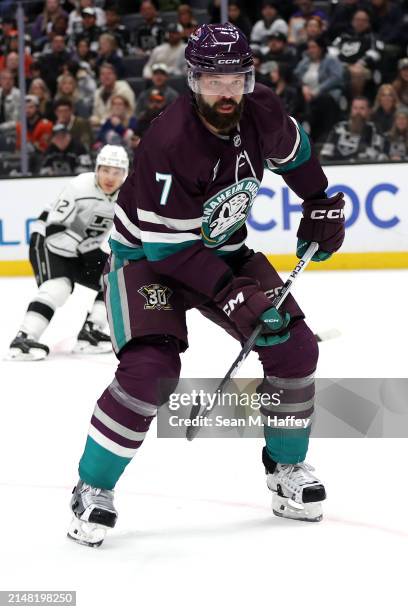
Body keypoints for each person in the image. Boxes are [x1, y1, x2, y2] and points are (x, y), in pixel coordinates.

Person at [66, 23, 345, 547]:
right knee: (151, 369)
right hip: (146, 259)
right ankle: (92, 488)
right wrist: (233, 293)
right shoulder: (168, 141)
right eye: (212, 79)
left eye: (234, 77)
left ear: (249, 76)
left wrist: (320, 200)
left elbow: (297, 155)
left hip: (218, 247)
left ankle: (285, 471)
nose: (225, 90)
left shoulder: (260, 110)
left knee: (293, 345)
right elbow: (168, 251)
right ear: (192, 80)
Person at [7, 145, 129, 361]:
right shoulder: (80, 185)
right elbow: (54, 229)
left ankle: (89, 333)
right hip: (46, 240)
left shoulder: (128, 195)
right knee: (58, 286)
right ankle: (23, 338)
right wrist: (86, 248)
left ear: (125, 174)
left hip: (80, 247)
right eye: (105, 170)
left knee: (114, 279)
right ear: (97, 168)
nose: (110, 177)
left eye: (117, 172)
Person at [294, 35, 344, 142]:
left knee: (322, 101)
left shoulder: (331, 60)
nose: (310, 50)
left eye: (313, 47)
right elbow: (296, 74)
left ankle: (322, 137)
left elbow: (336, 78)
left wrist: (317, 91)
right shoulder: (306, 61)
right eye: (309, 47)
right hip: (306, 94)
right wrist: (304, 86)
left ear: (321, 48)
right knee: (294, 96)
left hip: (325, 93)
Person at [320, 96, 383, 161]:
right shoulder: (339, 127)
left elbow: (376, 153)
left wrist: (355, 160)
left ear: (368, 111)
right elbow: (326, 152)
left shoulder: (374, 128)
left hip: (361, 166)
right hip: (336, 167)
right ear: (351, 110)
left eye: (362, 108)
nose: (358, 112)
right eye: (355, 108)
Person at [91, 62, 135, 126]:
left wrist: (101, 121)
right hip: (102, 128)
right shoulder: (97, 93)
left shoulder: (124, 90)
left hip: (122, 127)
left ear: (115, 76)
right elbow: (95, 114)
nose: (106, 77)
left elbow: (129, 113)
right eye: (102, 74)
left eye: (109, 73)